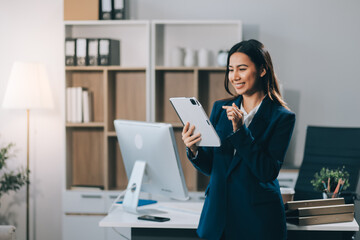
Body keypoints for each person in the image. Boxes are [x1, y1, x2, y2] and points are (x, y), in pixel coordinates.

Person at [182, 39, 295, 240]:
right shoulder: (220, 108)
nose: (234, 76)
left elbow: (267, 171)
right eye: (230, 69)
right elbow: (213, 166)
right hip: (217, 219)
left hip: (256, 222)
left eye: (242, 69)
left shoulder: (282, 117)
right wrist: (194, 150)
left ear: (262, 70)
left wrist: (241, 131)